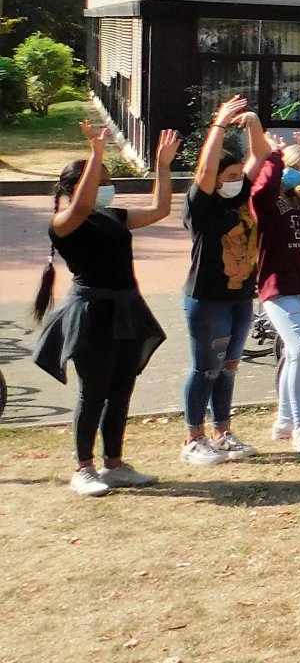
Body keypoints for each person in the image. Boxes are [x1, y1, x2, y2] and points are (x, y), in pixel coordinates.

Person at [34, 123, 178, 496]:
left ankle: (114, 464)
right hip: (91, 314)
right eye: (100, 180)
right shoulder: (64, 224)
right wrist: (96, 153)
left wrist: (162, 165)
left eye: (107, 179)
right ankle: (84, 467)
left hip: (127, 310)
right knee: (92, 392)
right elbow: (82, 205)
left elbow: (160, 209)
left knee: (122, 389)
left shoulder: (114, 217)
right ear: (74, 188)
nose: (107, 186)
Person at [178, 97, 262, 465]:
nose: (234, 182)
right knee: (206, 367)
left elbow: (260, 159)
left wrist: (254, 124)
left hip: (240, 296)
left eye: (236, 176)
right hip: (207, 297)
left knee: (228, 366)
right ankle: (193, 437)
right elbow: (205, 171)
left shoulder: (242, 193)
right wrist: (219, 126)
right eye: (227, 177)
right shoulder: (202, 206)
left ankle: (222, 431)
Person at [248, 119, 300, 453]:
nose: (298, 173)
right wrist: (275, 155)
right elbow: (262, 185)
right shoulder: (265, 202)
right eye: (292, 169)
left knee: (299, 354)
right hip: (276, 287)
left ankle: (284, 420)